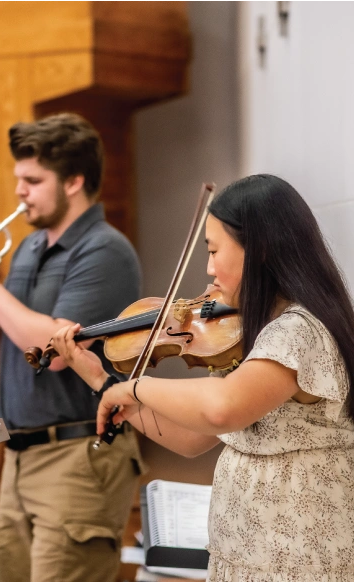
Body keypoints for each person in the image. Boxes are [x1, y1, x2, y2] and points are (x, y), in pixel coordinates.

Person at [51, 174, 354, 581]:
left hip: (297, 561)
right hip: (252, 557)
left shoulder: (298, 331)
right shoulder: (263, 333)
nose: (208, 269)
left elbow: (221, 408)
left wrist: (136, 385)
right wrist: (101, 382)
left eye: (214, 252)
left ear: (259, 249)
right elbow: (192, 438)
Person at [0, 112, 145, 582]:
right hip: (19, 454)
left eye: (33, 180)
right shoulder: (29, 248)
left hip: (77, 456)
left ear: (73, 182)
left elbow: (53, 354)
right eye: (18, 179)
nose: (19, 192)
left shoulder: (104, 250)